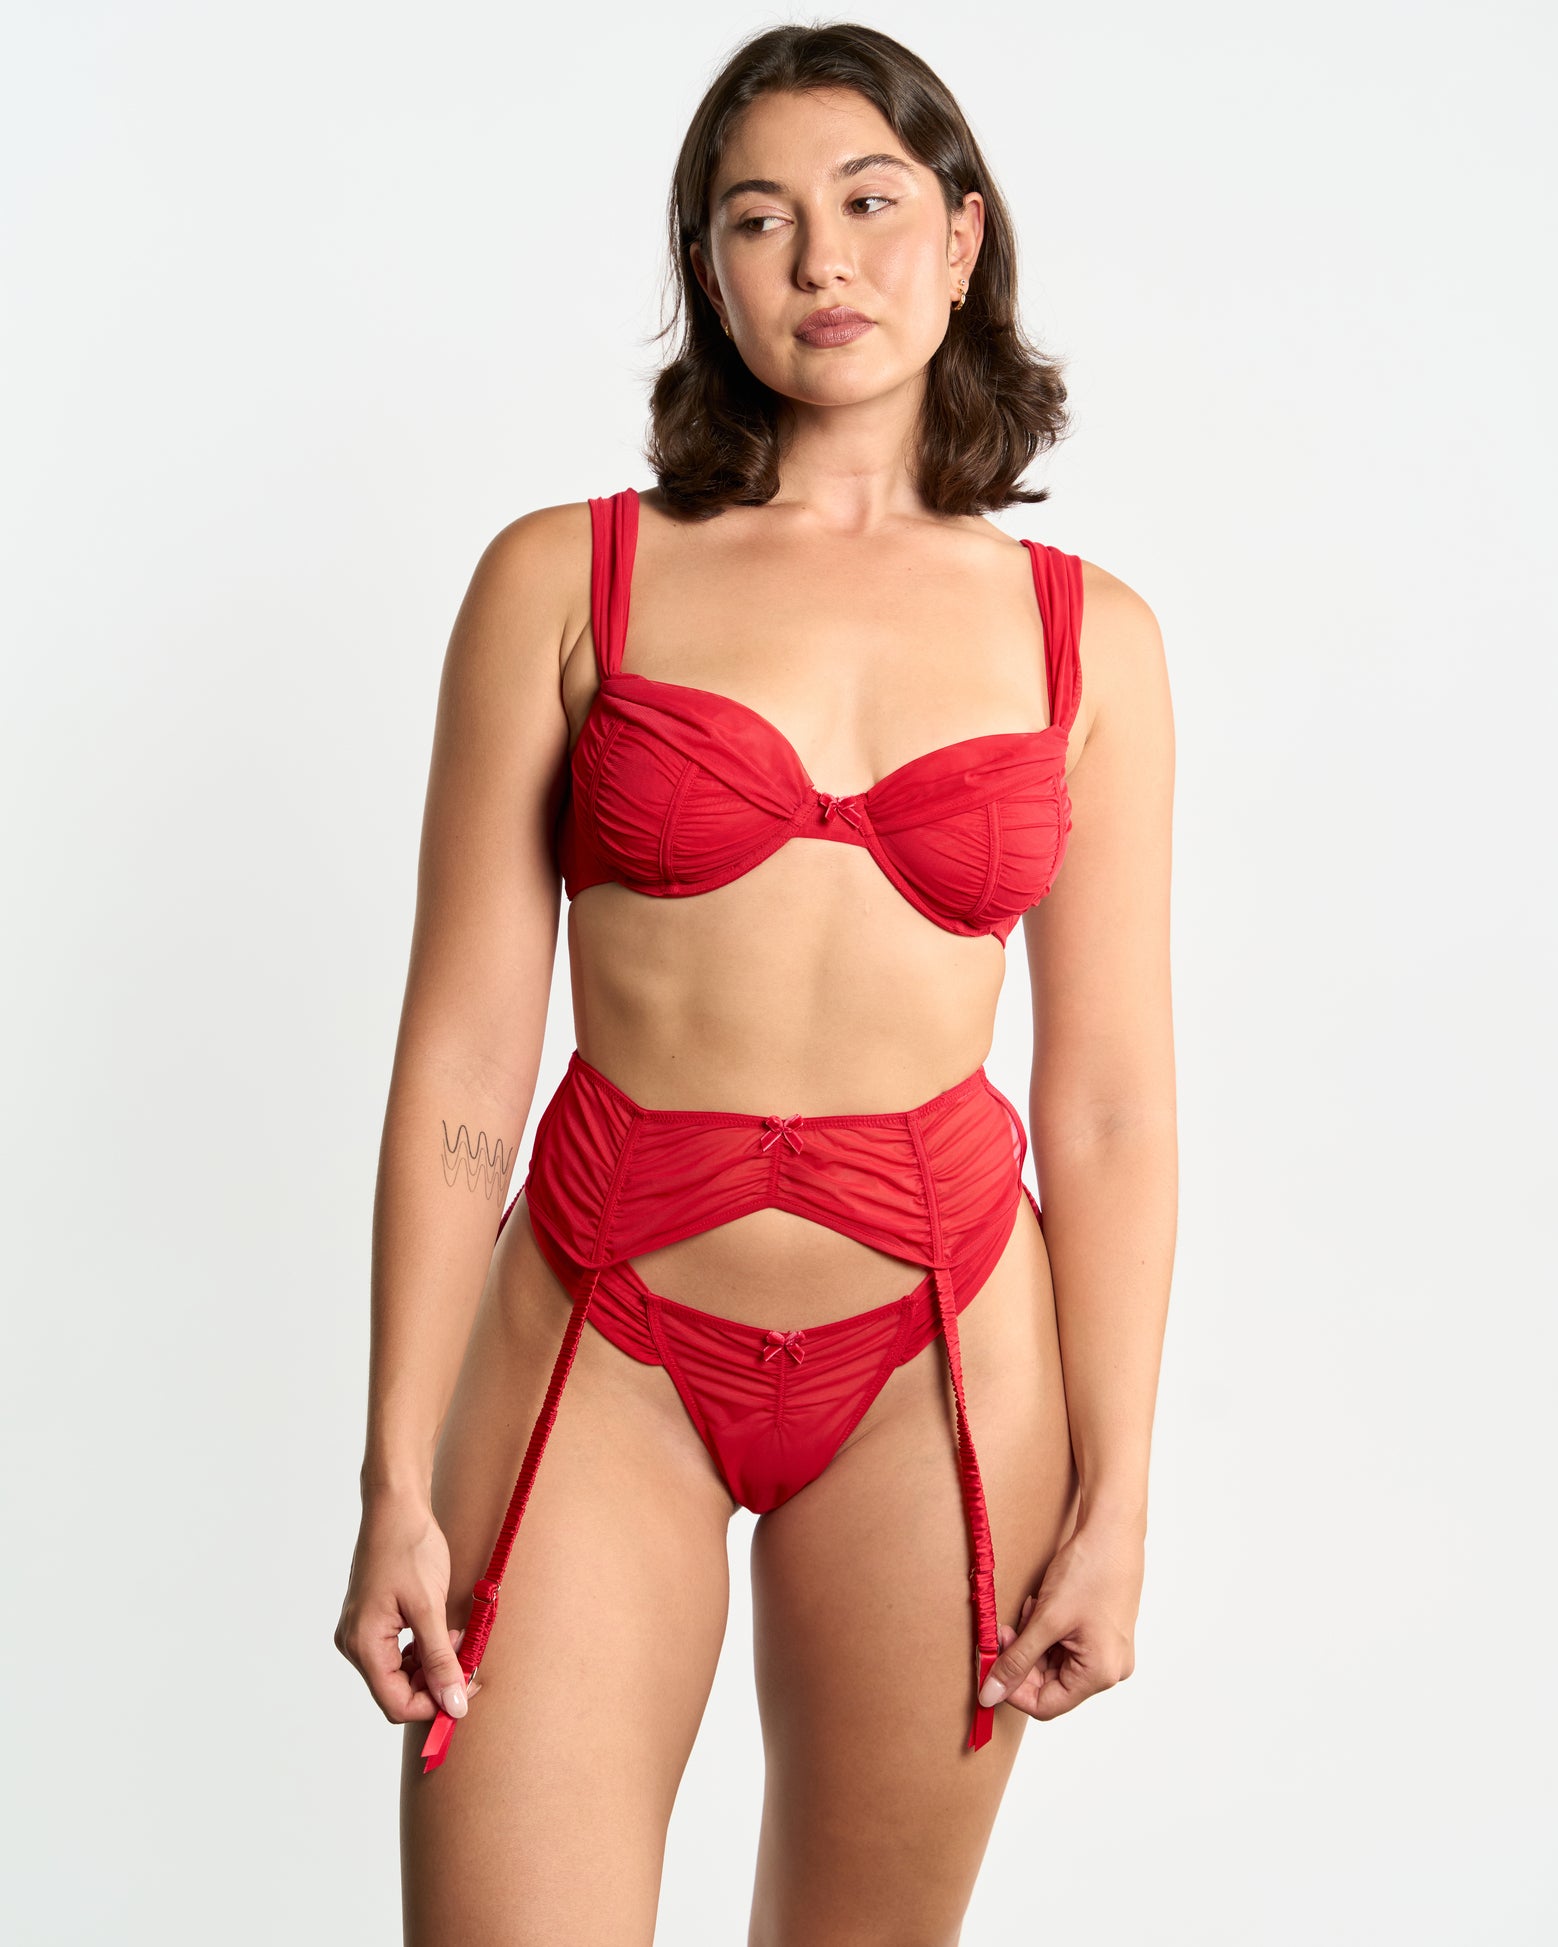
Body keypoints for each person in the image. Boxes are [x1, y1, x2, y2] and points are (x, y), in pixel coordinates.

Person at [335, 21, 1177, 1944]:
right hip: (597, 1340)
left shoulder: (1091, 641)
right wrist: (391, 1467)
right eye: (758, 218)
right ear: (706, 271)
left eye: (870, 203)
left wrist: (1119, 1497)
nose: (822, 260)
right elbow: (461, 1059)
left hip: (942, 1367)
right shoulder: (565, 579)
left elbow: (1112, 1102)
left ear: (959, 238)